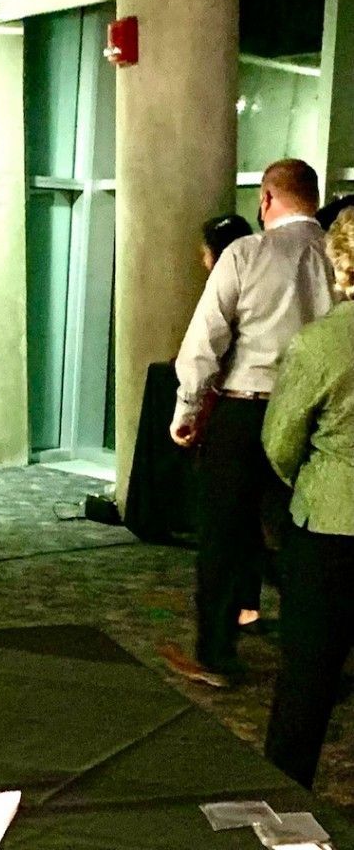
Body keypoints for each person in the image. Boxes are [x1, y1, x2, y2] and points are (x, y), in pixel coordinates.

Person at [161, 159, 333, 688]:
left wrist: (186, 411)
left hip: (246, 409)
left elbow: (206, 340)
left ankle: (216, 654)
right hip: (315, 414)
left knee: (224, 535)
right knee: (306, 535)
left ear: (265, 199)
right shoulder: (338, 255)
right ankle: (315, 656)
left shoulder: (245, 253)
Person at [262, 207, 354, 788]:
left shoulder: (320, 344)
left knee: (306, 684)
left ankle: (283, 805)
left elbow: (280, 442)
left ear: (343, 263)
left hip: (329, 530)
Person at [198, 214, 264, 628]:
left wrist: (187, 412)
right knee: (261, 518)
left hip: (236, 407)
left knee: (224, 523)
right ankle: (250, 601)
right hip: (281, 407)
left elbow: (206, 349)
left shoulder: (231, 274)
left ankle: (216, 645)